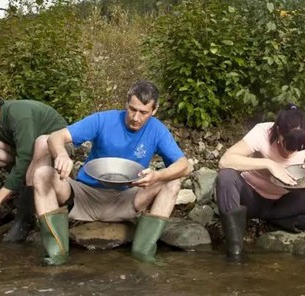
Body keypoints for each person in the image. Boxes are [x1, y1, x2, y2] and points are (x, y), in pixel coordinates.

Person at [32, 80, 191, 264]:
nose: (136, 117)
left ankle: (143, 253)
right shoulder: (103, 120)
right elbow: (56, 137)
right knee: (42, 174)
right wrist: (61, 154)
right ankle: (56, 255)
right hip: (84, 197)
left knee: (172, 182)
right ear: (126, 103)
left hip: (128, 200)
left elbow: (184, 165)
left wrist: (157, 176)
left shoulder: (157, 130)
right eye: (132, 109)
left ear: (154, 110)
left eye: (143, 112)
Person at [216, 105, 305, 262]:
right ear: (278, 131)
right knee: (226, 177)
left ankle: (279, 222)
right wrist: (269, 164)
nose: (290, 153)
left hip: (284, 202)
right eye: (286, 145)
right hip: (251, 198)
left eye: (296, 149)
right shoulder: (262, 132)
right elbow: (225, 160)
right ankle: (235, 250)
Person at [0, 90, 68, 243]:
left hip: (56, 150)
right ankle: (24, 186)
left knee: (41, 144)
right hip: (28, 151)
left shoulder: (19, 114)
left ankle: (25, 218)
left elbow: (25, 158)